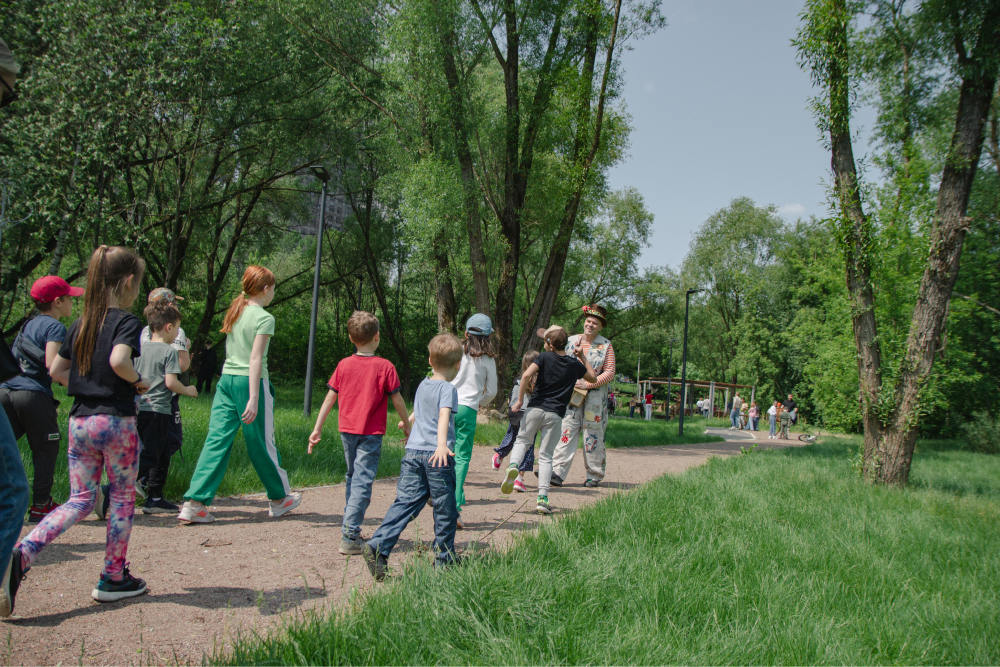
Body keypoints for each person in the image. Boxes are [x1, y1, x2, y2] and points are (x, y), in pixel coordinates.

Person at [15, 245, 151, 603]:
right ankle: (112, 577)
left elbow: (57, 370)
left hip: (80, 422)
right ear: (128, 281)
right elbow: (120, 359)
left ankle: (22, 553)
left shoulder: (80, 323)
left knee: (80, 500)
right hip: (116, 422)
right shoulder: (126, 321)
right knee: (121, 497)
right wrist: (137, 380)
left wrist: (83, 384)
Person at [177, 266, 301, 524]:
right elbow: (255, 358)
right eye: (273, 288)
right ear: (265, 289)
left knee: (216, 440)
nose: (273, 293)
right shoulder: (265, 317)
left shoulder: (236, 311)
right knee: (261, 443)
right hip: (250, 383)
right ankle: (279, 499)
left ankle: (195, 503)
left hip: (226, 381)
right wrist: (254, 397)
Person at [308, 311, 410, 556]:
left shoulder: (344, 365)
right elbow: (397, 400)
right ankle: (350, 534)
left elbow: (330, 397)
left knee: (353, 476)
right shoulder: (385, 366)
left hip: (347, 430)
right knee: (362, 480)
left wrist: (317, 428)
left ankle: (349, 527)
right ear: (377, 337)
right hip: (371, 433)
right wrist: (407, 424)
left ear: (351, 338)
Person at [362, 334, 464, 581]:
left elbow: (420, 410)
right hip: (436, 457)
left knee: (406, 502)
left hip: (413, 453)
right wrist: (441, 445)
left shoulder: (423, 383)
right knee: (445, 508)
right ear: (458, 365)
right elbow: (442, 415)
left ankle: (379, 545)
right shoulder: (448, 389)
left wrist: (407, 421)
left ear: (430, 360)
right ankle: (445, 559)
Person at [0, 276, 83, 523]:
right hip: (33, 395)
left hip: (6, 392)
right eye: (69, 297)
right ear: (58, 302)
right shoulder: (55, 327)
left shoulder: (28, 324)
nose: (72, 302)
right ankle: (41, 505)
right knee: (46, 449)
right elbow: (51, 364)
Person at [501, 326, 597, 515]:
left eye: (545, 342)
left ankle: (513, 465)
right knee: (546, 456)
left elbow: (527, 375)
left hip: (535, 408)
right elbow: (592, 378)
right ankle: (542, 499)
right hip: (555, 415)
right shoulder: (574, 364)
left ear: (550, 345)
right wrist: (583, 357)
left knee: (523, 440)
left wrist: (520, 400)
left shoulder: (544, 358)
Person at [134, 300, 198, 515]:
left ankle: (156, 497)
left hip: (140, 409)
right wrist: (188, 390)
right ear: (169, 327)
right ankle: (117, 486)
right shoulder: (169, 351)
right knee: (154, 454)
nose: (178, 333)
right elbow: (171, 382)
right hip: (159, 410)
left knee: (159, 453)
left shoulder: (140, 350)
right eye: (177, 328)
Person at [551, 304, 617, 489]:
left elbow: (610, 372)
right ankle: (557, 472)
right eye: (588, 321)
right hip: (571, 395)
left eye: (594, 323)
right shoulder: (571, 341)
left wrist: (588, 384)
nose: (590, 325)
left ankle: (594, 475)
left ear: (601, 326)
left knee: (593, 432)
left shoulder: (606, 345)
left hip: (594, 399)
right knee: (567, 430)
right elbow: (560, 362)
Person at [449, 314, 497, 529]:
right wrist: (478, 403)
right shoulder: (488, 359)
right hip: (468, 409)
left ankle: (440, 494)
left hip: (446, 406)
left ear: (466, 333)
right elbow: (493, 391)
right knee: (462, 457)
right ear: (488, 337)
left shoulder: (455, 351)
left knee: (443, 450)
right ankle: (455, 507)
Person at [491, 351, 539, 493]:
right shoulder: (538, 382)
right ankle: (519, 479)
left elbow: (510, 397)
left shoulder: (518, 379)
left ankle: (499, 456)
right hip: (529, 415)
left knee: (512, 439)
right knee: (527, 446)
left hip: (515, 413)